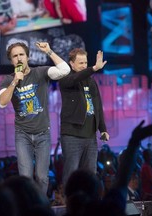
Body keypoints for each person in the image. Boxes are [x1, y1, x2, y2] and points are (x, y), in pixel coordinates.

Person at [0, 41, 70, 194]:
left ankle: (40, 206)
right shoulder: (8, 80)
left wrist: (49, 51)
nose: (19, 58)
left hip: (43, 133)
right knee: (25, 177)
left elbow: (65, 70)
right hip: (22, 134)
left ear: (28, 57)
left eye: (21, 54)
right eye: (15, 56)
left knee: (42, 176)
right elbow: (2, 103)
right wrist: (15, 81)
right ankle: (27, 206)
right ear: (11, 61)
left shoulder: (40, 72)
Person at [58, 48, 109, 187]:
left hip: (90, 136)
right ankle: (70, 204)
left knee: (90, 175)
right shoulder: (66, 79)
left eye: (85, 62)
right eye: (80, 63)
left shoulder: (91, 82)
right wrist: (93, 68)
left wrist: (103, 129)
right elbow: (75, 78)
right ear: (71, 64)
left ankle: (89, 205)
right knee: (71, 174)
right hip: (72, 135)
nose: (83, 66)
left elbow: (98, 106)